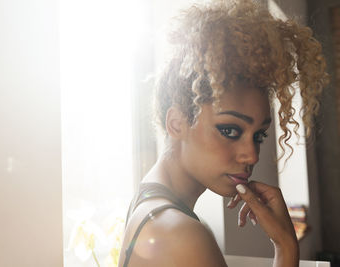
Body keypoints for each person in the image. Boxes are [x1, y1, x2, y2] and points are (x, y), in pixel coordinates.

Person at [118, 0, 329, 266]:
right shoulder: (181, 235)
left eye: (259, 135)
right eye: (229, 130)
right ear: (176, 123)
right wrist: (286, 246)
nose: (251, 155)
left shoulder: (150, 206)